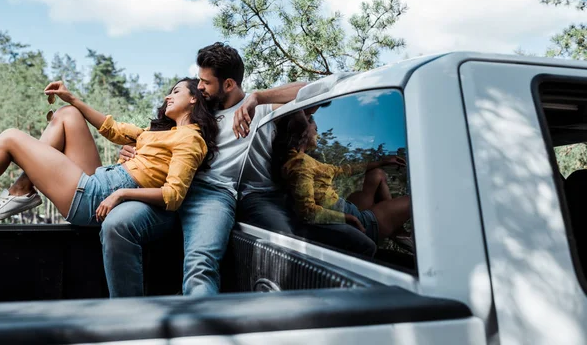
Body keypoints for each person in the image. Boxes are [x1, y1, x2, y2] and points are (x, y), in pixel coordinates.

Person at [111, 42, 306, 297]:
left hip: (211, 195)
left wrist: (257, 97)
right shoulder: (197, 109)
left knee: (200, 265)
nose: (199, 87)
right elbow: (158, 138)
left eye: (206, 82)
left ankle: (200, 331)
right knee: (117, 225)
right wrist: (132, 152)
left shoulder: (259, 108)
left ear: (228, 85)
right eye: (199, 81)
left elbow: (311, 89)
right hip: (168, 187)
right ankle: (127, 317)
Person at [0, 79, 218, 231]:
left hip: (96, 197)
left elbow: (173, 196)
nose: (168, 96)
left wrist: (122, 194)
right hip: (99, 181)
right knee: (68, 113)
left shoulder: (190, 138)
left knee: (11, 137)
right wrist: (73, 98)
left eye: (176, 92)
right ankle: (23, 188)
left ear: (193, 98)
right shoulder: (160, 132)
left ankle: (21, 190)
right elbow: (113, 129)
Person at [276, 110, 411, 247]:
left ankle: (396, 229)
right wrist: (346, 218)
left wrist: (381, 161)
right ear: (304, 132)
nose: (317, 134)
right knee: (414, 201)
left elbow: (343, 170)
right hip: (356, 220)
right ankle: (395, 230)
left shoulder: (303, 160)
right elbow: (307, 212)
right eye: (315, 130)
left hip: (345, 207)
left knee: (377, 173)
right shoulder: (300, 164)